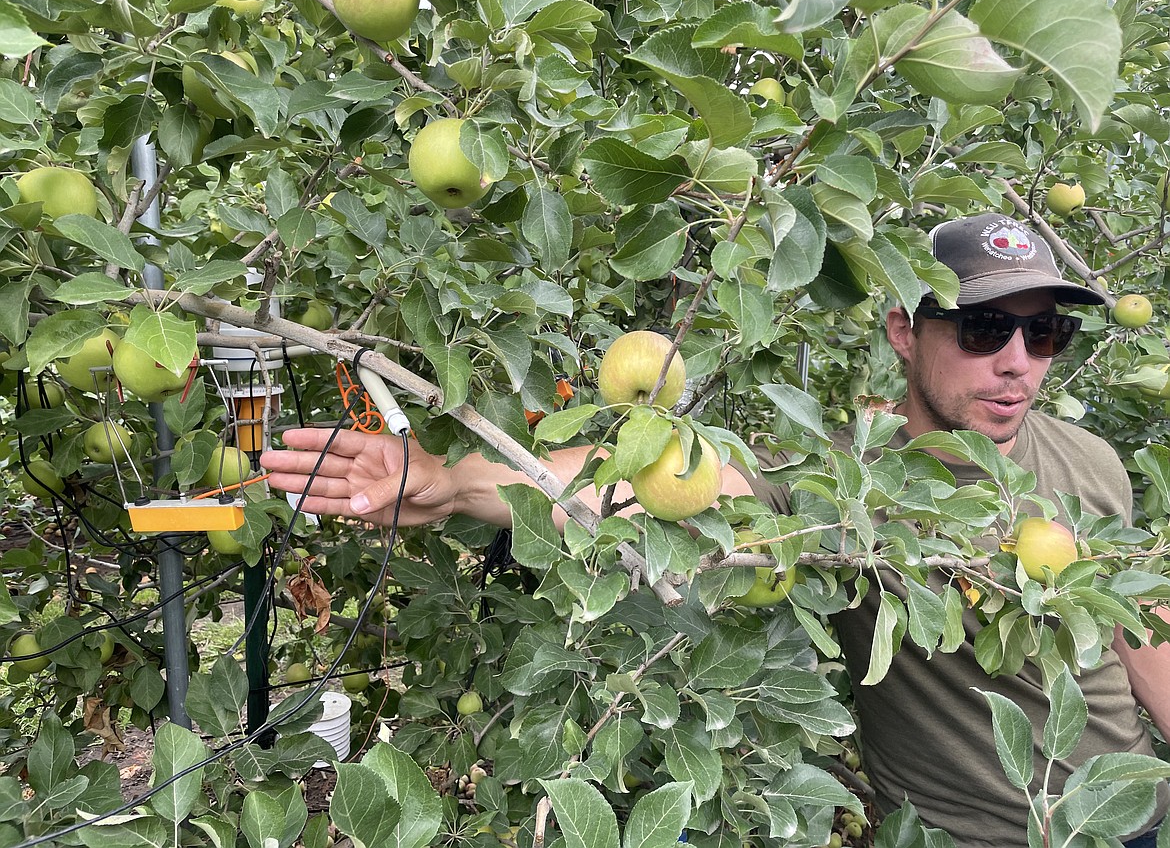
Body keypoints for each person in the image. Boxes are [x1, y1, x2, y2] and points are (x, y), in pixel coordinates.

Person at [260, 212, 1170, 847]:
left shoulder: (1089, 462)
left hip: (1123, 817)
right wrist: (452, 482)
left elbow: (1142, 633)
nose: (1016, 363)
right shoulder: (837, 481)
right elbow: (655, 482)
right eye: (981, 329)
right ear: (904, 327)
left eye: (1043, 333)